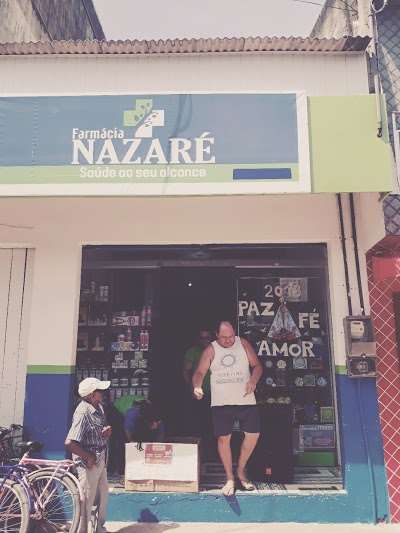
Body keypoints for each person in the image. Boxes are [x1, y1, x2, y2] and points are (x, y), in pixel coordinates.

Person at [192, 320, 263, 496]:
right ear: (216, 335)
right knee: (224, 439)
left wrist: (253, 381)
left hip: (246, 399)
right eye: (224, 337)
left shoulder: (242, 343)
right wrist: (197, 386)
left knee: (253, 435)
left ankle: (241, 470)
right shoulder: (211, 349)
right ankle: (230, 477)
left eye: (231, 336)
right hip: (221, 402)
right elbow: (199, 372)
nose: (229, 340)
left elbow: (257, 366)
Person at [65, 377, 112, 533]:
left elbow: (97, 429)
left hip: (100, 458)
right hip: (88, 463)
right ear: (92, 395)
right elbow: (70, 443)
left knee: (103, 493)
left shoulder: (99, 407)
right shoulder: (82, 412)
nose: (103, 393)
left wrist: (105, 432)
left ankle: (100, 528)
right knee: (86, 499)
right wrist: (88, 456)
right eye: (100, 391)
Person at [182, 328, 213, 437]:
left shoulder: (217, 350)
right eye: (202, 338)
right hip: (199, 391)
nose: (204, 340)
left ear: (211, 338)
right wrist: (191, 387)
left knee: (215, 421)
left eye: (207, 338)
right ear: (198, 339)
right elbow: (186, 371)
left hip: (216, 392)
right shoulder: (192, 352)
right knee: (200, 420)